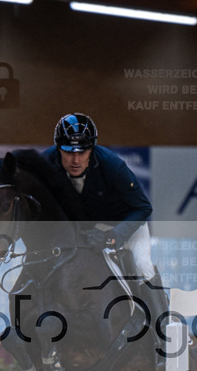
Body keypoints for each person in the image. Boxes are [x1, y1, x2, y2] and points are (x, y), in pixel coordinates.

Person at [42, 113, 169, 352]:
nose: (76, 159)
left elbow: (143, 207)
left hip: (125, 224)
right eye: (68, 151)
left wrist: (114, 236)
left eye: (83, 152)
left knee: (143, 266)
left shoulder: (113, 166)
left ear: (93, 148)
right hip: (84, 228)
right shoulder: (45, 164)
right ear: (58, 148)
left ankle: (164, 337)